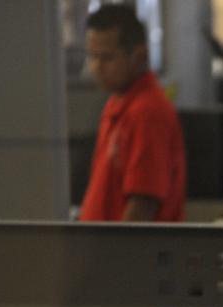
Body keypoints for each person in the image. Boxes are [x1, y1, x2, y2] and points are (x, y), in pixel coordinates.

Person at [80, 4, 186, 222]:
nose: (96, 67)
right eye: (92, 56)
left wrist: (119, 256)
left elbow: (143, 204)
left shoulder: (147, 112)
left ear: (139, 55)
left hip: (129, 254)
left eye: (107, 58)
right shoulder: (116, 104)